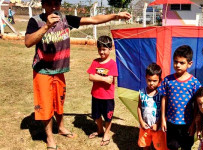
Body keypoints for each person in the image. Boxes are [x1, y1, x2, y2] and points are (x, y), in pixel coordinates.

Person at [24, 0, 131, 149]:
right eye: (50, 4)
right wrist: (47, 26)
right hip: (42, 71)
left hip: (59, 71)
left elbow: (93, 19)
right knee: (45, 106)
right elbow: (28, 42)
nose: (54, 7)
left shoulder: (65, 19)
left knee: (59, 102)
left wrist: (116, 16)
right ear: (43, 4)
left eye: (57, 3)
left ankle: (60, 128)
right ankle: (49, 137)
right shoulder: (35, 21)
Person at [159, 45, 201, 150]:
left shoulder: (194, 83)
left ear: (189, 64)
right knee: (172, 146)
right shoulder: (167, 80)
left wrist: (193, 123)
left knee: (186, 146)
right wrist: (163, 119)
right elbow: (164, 99)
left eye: (182, 63)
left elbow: (197, 104)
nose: (178, 65)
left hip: (187, 123)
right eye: (175, 62)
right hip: (171, 122)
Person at [87, 36, 118, 146]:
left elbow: (110, 81)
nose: (101, 52)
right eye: (99, 49)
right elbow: (91, 77)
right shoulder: (95, 62)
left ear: (110, 49)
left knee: (108, 116)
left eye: (104, 49)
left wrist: (98, 77)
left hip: (107, 97)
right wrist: (103, 78)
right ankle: (100, 130)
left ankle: (107, 133)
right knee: (96, 115)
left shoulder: (112, 64)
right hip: (96, 95)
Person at [137, 63, 167, 150]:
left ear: (159, 80)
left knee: (160, 147)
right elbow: (139, 107)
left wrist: (158, 124)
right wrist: (141, 121)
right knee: (145, 145)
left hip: (158, 128)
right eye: (149, 80)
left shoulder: (161, 94)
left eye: (154, 81)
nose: (151, 83)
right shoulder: (142, 92)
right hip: (144, 127)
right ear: (146, 77)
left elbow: (163, 110)